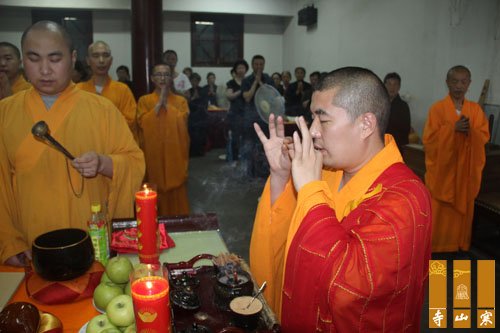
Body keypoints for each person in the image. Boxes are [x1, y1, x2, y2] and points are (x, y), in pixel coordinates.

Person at [250, 67, 432, 331]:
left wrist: (311, 189)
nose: (312, 132)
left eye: (322, 120)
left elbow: (348, 291)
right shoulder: (324, 171)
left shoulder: (406, 198)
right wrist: (280, 176)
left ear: (366, 124)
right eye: (311, 118)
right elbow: (287, 248)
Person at [0, 21, 145, 266]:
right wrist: (9, 241)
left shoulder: (102, 109)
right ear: (23, 59)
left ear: (73, 57)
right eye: (34, 59)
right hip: (29, 244)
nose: (45, 70)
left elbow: (134, 161)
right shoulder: (5, 112)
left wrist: (103, 162)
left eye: (55, 59)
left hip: (89, 239)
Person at [423, 65, 489, 253]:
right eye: (454, 81)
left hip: (464, 179)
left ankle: (460, 265)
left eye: (463, 81)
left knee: (459, 234)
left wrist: (470, 132)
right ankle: (437, 261)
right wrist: (452, 130)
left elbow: (483, 136)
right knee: (439, 224)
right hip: (443, 178)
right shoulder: (437, 109)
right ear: (447, 83)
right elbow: (429, 141)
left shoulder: (475, 110)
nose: (459, 86)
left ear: (469, 84)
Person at [137, 63, 190, 216]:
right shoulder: (144, 100)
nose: (162, 78)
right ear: (152, 78)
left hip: (174, 153)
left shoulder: (180, 101)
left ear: (171, 78)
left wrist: (167, 106)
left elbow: (183, 121)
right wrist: (158, 106)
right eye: (158, 75)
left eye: (166, 74)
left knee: (177, 187)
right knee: (153, 184)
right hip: (153, 154)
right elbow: (141, 122)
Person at [77, 41, 138, 138]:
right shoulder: (78, 90)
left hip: (115, 146)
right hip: (87, 145)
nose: (101, 60)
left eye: (105, 55)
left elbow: (130, 121)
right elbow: (74, 121)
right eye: (96, 56)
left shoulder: (123, 90)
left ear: (111, 60)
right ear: (88, 60)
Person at [240, 54, 274, 177]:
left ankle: (264, 173)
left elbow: (271, 97)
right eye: (256, 64)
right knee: (249, 146)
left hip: (264, 118)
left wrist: (260, 82)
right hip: (250, 118)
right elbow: (247, 97)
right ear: (252, 65)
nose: (259, 66)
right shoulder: (246, 80)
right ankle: (249, 173)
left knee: (264, 147)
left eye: (261, 64)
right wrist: (255, 81)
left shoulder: (268, 79)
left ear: (264, 65)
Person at [226, 60, 249, 161]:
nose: (241, 70)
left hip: (247, 113)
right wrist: (241, 91)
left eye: (243, 68)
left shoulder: (249, 81)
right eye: (239, 68)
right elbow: (229, 96)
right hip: (235, 113)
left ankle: (246, 159)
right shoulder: (231, 82)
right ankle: (235, 159)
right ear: (235, 70)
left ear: (246, 69)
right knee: (235, 138)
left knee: (247, 138)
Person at [384, 72, 411, 153]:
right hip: (379, 146)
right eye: (389, 84)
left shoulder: (403, 106)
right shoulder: (379, 103)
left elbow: (406, 129)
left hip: (396, 146)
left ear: (399, 87)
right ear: (384, 85)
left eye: (395, 84)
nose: (392, 87)